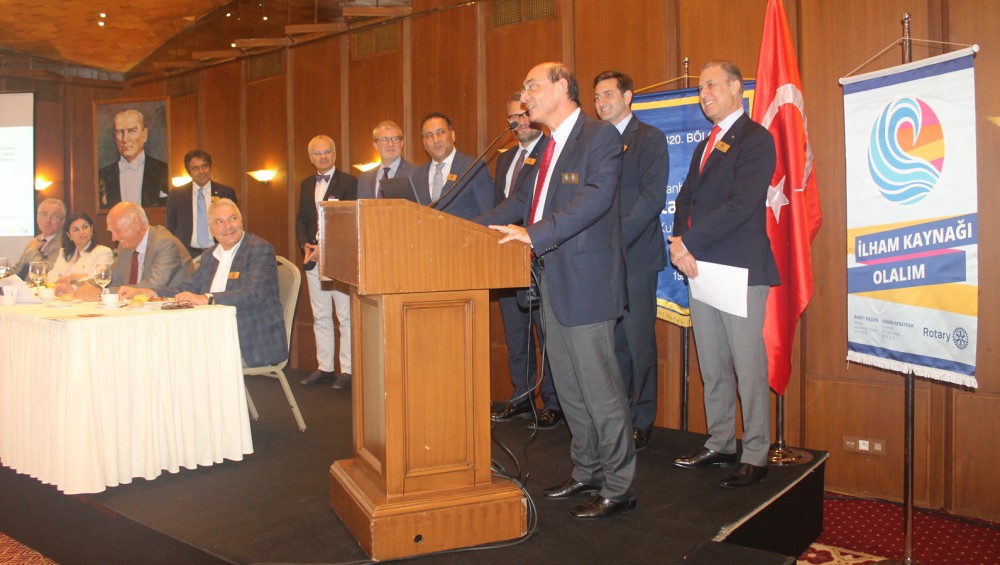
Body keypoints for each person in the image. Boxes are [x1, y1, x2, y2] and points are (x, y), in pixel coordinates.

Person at [477, 62, 635, 519]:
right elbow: (519, 202)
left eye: (532, 86)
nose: (525, 95)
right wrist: (461, 225)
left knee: (600, 389)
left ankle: (620, 485)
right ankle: (587, 469)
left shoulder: (599, 136)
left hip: (587, 284)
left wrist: (534, 234)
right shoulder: (546, 146)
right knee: (568, 387)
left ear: (562, 87)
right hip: (551, 282)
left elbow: (597, 197)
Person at [669, 61, 779, 489]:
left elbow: (741, 204)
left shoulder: (756, 139)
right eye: (700, 88)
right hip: (701, 267)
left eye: (711, 85)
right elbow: (685, 201)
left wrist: (688, 244)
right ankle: (720, 442)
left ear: (737, 88)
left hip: (739, 268)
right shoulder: (706, 144)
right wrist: (679, 244)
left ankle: (755, 453)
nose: (704, 94)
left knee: (747, 366)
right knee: (712, 363)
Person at [593, 70, 670, 450]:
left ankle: (643, 418)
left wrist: (614, 239)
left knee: (639, 344)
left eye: (608, 94)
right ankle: (619, 417)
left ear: (628, 97)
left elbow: (651, 199)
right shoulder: (595, 143)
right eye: (596, 97)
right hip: (601, 260)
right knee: (613, 346)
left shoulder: (649, 138)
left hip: (635, 256)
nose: (601, 102)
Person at [121, 200, 287, 368]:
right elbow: (187, 288)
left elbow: (253, 293)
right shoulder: (210, 256)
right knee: (161, 351)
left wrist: (207, 298)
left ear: (241, 220)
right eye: (219, 222)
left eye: (233, 218)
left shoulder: (258, 249)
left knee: (182, 360)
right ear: (211, 229)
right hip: (211, 334)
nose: (228, 226)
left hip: (249, 339)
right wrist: (150, 292)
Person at [490, 92, 563, 430]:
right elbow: (500, 206)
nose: (518, 122)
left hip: (539, 255)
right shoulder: (504, 159)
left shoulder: (551, 151)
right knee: (516, 333)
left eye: (523, 115)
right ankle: (522, 396)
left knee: (546, 333)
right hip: (506, 258)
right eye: (512, 118)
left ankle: (553, 402)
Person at [296, 135, 358, 389]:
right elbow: (301, 219)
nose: (322, 157)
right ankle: (325, 367)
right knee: (320, 315)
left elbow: (350, 222)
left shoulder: (350, 182)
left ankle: (347, 370)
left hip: (339, 260)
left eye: (326, 152)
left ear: (334, 154)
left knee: (345, 317)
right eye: (317, 153)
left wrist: (325, 249)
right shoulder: (305, 184)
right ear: (311, 158)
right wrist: (306, 246)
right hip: (313, 261)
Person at [75, 202, 194, 300]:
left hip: (171, 311)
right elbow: (110, 277)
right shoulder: (125, 246)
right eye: (111, 232)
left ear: (136, 223)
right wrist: (75, 287)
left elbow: (152, 287)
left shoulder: (165, 244)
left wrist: (103, 293)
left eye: (117, 231)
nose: (113, 238)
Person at [412, 112, 494, 220]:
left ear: (453, 135)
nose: (436, 140)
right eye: (429, 135)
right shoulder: (417, 175)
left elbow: (489, 216)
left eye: (440, 132)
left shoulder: (474, 168)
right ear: (424, 143)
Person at [166, 149, 238, 258]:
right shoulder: (177, 195)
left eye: (204, 166)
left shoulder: (225, 193)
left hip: (219, 252)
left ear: (210, 167)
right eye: (196, 168)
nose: (201, 171)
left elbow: (235, 223)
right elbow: (170, 228)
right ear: (189, 171)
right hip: (186, 254)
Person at [98, 109, 169, 209]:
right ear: (114, 136)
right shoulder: (102, 176)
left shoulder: (164, 171)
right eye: (120, 132)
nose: (125, 139)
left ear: (144, 134)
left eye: (132, 131)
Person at [46, 212, 114, 296]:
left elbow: (98, 279)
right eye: (76, 229)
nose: (82, 232)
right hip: (64, 296)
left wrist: (64, 280)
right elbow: (50, 278)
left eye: (85, 227)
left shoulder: (103, 252)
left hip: (88, 297)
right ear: (69, 235)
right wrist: (71, 277)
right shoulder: (64, 253)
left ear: (91, 229)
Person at [357, 120, 417, 199]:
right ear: (375, 145)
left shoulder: (415, 173)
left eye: (395, 139)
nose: (390, 144)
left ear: (401, 143)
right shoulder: (365, 179)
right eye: (384, 139)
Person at [12, 198, 66, 280]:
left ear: (63, 221)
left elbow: (46, 273)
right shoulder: (36, 240)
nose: (48, 220)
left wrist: (33, 251)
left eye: (55, 216)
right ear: (37, 218)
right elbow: (18, 268)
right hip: (21, 285)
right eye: (45, 215)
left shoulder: (64, 243)